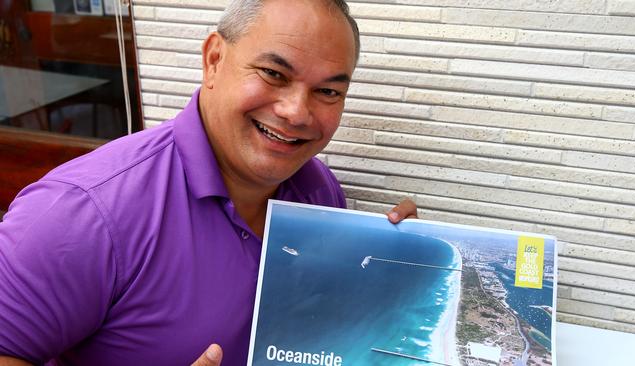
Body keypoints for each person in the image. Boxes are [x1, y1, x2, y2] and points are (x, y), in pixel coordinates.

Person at [0, 0, 417, 365]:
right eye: (274, 73)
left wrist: (389, 270)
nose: (296, 112)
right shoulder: (84, 211)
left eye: (327, 91)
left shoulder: (319, 191)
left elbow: (313, 325)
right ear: (214, 59)